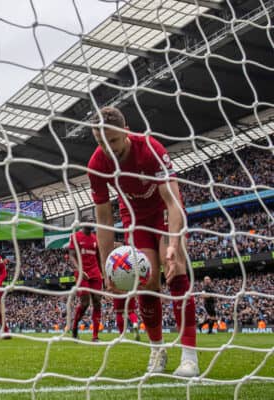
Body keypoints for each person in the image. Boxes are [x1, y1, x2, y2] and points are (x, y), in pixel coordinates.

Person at [87, 106, 199, 377]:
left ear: (126, 132)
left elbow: (173, 202)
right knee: (146, 282)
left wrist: (173, 244)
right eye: (101, 142)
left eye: (112, 140)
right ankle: (158, 350)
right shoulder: (96, 165)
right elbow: (103, 220)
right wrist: (106, 267)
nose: (107, 148)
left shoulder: (150, 149)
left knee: (176, 271)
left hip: (163, 211)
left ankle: (190, 358)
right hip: (134, 218)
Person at [69, 216, 102, 342]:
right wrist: (80, 270)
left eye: (93, 220)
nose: (92, 222)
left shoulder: (95, 238)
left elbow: (98, 257)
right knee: (85, 303)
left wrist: (102, 274)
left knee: (97, 302)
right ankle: (75, 326)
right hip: (81, 273)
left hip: (95, 273)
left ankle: (95, 336)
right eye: (90, 220)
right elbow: (71, 256)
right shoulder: (75, 236)